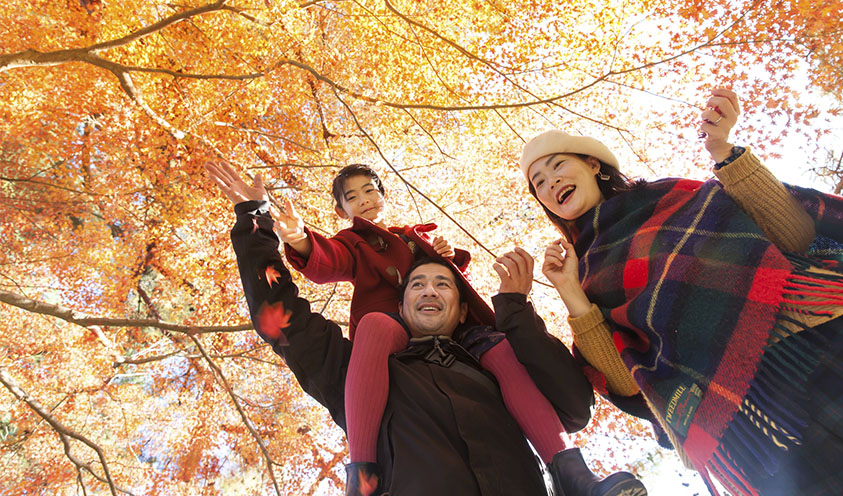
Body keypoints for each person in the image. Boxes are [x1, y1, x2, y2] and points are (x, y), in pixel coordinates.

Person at [205, 162, 604, 495]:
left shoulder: (497, 361)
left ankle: (572, 471)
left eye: (443, 282)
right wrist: (258, 221)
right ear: (400, 302)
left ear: (464, 308)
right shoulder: (360, 375)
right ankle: (360, 478)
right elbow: (280, 310)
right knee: (376, 326)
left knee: (497, 347)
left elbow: (574, 403)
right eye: (416, 284)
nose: (429, 289)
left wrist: (515, 309)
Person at [518, 88, 843, 496]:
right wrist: (568, 290)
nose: (551, 184)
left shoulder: (673, 195)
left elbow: (794, 234)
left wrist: (724, 150)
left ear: (592, 163)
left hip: (820, 341)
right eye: (539, 184)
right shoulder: (584, 275)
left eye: (556, 166)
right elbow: (629, 383)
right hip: (755, 429)